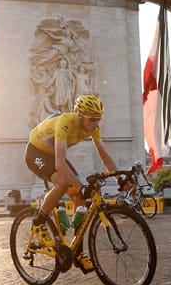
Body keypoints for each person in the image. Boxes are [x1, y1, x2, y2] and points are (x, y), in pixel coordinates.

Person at [24, 95, 118, 249]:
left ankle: (76, 247)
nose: (96, 123)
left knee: (80, 195)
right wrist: (80, 186)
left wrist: (118, 178)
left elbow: (104, 154)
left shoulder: (94, 128)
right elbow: (60, 163)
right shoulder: (65, 123)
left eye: (98, 119)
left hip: (52, 154)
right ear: (80, 116)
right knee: (64, 183)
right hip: (36, 152)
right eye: (92, 119)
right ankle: (38, 222)